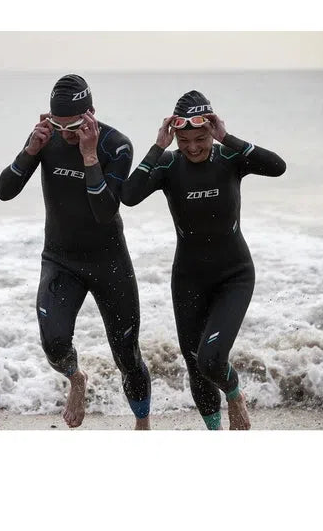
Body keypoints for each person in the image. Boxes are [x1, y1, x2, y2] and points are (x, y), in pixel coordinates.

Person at [121, 90, 286, 430]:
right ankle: (215, 433)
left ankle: (234, 394)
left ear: (211, 130)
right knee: (195, 363)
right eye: (184, 141)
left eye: (201, 138)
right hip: (189, 278)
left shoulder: (230, 157)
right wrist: (158, 147)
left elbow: (277, 167)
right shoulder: (168, 164)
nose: (193, 147)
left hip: (234, 274)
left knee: (211, 360)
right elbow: (129, 196)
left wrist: (227, 137)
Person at [0, 74, 152, 430]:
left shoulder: (116, 146)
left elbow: (104, 211)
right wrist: (30, 151)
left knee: (127, 356)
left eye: (74, 126)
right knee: (53, 343)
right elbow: (5, 191)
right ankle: (76, 379)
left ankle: (143, 425)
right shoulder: (45, 139)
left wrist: (88, 155)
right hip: (61, 259)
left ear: (91, 115)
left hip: (108, 261)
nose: (65, 134)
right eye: (57, 125)